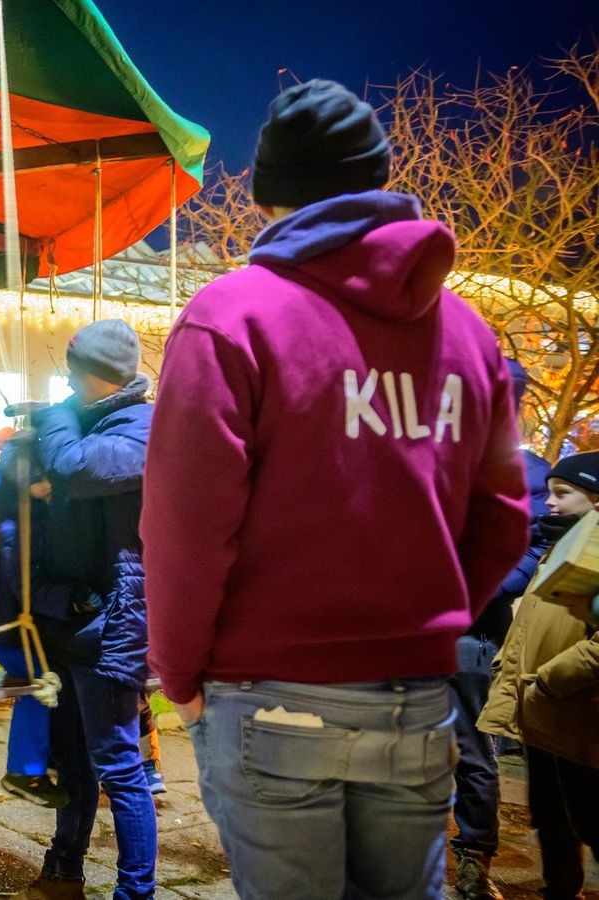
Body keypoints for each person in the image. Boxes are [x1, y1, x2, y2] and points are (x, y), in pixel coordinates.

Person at [142, 79, 529, 899]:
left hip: (269, 694)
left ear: (269, 196)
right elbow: (503, 519)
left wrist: (179, 675)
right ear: (381, 177)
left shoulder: (232, 316)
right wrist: (425, 621)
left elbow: (184, 527)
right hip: (415, 696)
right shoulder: (468, 335)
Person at [6, 318, 157, 900]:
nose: (67, 385)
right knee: (76, 763)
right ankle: (62, 876)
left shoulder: (142, 430)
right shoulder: (90, 420)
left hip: (111, 624)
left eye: (72, 376)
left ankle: (134, 893)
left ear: (95, 375)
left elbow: (75, 467)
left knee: (120, 767)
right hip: (69, 613)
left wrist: (55, 421)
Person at [448, 357, 550, 900]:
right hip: (408, 629)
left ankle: (473, 857)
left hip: (471, 630)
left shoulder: (529, 472)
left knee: (470, 748)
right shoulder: (435, 454)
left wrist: (478, 588)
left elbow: (530, 548)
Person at [478, 451, 599, 900]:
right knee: (551, 818)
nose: (548, 504)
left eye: (562, 494)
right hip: (543, 708)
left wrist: (549, 678)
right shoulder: (561, 546)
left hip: (578, 712)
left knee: (589, 817)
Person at [0, 427, 67, 807]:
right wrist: (63, 603)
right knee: (41, 680)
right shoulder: (19, 525)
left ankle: (40, 757)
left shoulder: (4, 497)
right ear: (27, 477)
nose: (51, 486)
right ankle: (26, 771)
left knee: (40, 674)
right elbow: (22, 582)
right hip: (0, 614)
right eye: (42, 480)